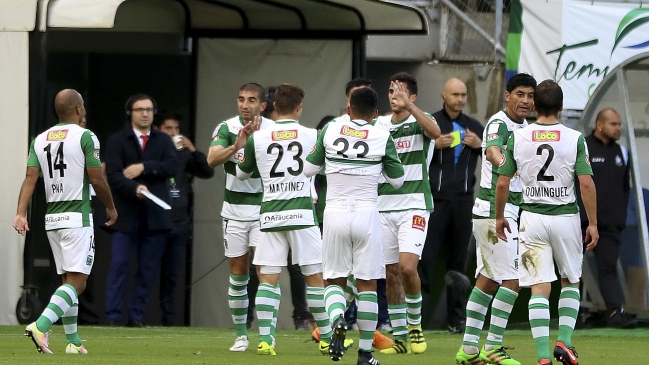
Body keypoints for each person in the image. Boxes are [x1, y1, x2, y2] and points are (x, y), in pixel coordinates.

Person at [495, 79, 599, 365]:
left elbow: (503, 182)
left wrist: (500, 216)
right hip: (565, 217)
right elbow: (586, 183)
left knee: (539, 287)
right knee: (570, 281)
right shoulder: (575, 137)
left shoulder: (518, 137)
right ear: (562, 107)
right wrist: (593, 223)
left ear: (535, 106)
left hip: (531, 219)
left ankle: (542, 357)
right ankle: (564, 342)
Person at [305, 86, 405, 365]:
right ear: (375, 114)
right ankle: (365, 355)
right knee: (367, 285)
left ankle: (337, 318)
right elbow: (398, 180)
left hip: (335, 212)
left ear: (349, 108)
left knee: (333, 280)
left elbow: (308, 169)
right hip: (367, 213)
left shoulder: (331, 130)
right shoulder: (382, 134)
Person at [236, 83, 338, 356]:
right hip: (303, 215)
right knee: (314, 277)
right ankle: (327, 339)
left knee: (268, 278)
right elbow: (324, 168)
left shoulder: (259, 137)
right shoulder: (312, 135)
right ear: (299, 107)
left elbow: (242, 174)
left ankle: (266, 340)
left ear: (272, 107)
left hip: (271, 215)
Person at [16, 89, 117, 354]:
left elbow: (30, 177)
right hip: (77, 216)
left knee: (67, 281)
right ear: (78, 109)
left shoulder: (39, 139)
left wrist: (20, 213)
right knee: (78, 282)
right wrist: (110, 206)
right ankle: (40, 325)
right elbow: (96, 178)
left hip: (52, 219)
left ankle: (72, 342)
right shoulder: (86, 136)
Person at [456, 73, 536, 365]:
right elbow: (491, 151)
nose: (525, 101)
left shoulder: (526, 127)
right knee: (513, 281)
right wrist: (506, 164)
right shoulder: (499, 123)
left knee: (488, 280)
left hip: (506, 210)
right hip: (495, 211)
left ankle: (467, 349)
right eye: (520, 94)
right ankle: (493, 347)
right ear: (507, 95)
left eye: (530, 96)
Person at [373, 72, 441, 355]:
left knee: (408, 267)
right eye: (390, 91)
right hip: (383, 206)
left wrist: (411, 108)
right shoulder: (379, 124)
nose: (394, 96)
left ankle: (415, 326)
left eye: (399, 92)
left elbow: (436, 135)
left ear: (412, 97)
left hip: (413, 205)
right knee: (390, 273)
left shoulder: (422, 119)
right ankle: (399, 336)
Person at [207, 83, 273, 351]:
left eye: (252, 100)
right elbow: (211, 160)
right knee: (238, 274)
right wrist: (236, 146)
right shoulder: (226, 128)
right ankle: (241, 335)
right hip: (233, 212)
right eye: (241, 99)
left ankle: (267, 337)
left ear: (263, 106)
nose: (245, 105)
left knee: (265, 272)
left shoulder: (272, 130)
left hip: (263, 210)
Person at [104, 94, 178, 327]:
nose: (145, 114)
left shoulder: (164, 141)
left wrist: (144, 167)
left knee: (147, 271)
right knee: (119, 265)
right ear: (130, 113)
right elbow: (113, 175)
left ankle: (136, 316)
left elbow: (172, 166)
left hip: (155, 216)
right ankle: (113, 316)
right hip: (126, 214)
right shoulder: (117, 141)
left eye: (149, 110)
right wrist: (134, 188)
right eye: (140, 110)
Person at [419, 77, 484, 333]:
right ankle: (419, 319)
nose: (460, 99)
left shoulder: (474, 127)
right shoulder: (431, 124)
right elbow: (412, 154)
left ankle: (457, 320)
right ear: (443, 95)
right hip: (435, 202)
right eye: (455, 94)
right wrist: (433, 145)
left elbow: (494, 156)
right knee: (426, 261)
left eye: (463, 95)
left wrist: (480, 145)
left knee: (458, 264)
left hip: (464, 203)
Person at [154, 112, 215, 326]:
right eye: (168, 128)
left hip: (178, 222)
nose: (173, 133)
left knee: (172, 277)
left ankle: (169, 322)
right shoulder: (151, 150)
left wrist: (193, 150)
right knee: (147, 273)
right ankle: (135, 318)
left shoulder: (182, 154)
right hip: (153, 222)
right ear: (158, 129)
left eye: (176, 129)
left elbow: (207, 171)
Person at [577, 108, 636, 328]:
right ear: (600, 125)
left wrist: (620, 216)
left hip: (611, 225)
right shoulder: (582, 147)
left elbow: (625, 188)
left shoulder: (622, 152)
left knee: (608, 268)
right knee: (571, 269)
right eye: (614, 124)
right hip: (582, 223)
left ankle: (614, 313)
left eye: (619, 124)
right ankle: (571, 316)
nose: (618, 128)